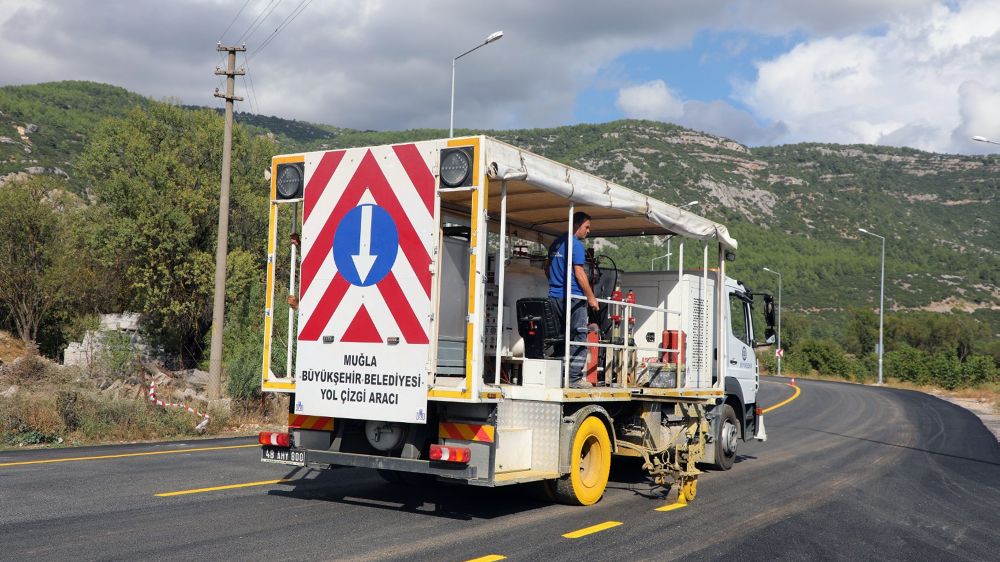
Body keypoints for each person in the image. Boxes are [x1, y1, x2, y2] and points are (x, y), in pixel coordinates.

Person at [547, 211, 599, 388]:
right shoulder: (575, 245)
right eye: (587, 227)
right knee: (579, 337)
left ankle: (560, 376)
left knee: (561, 338)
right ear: (577, 225)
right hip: (573, 298)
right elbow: (579, 272)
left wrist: (556, 283)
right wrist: (591, 297)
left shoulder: (555, 244)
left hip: (554, 298)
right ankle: (574, 379)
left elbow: (546, 268)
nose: (588, 231)